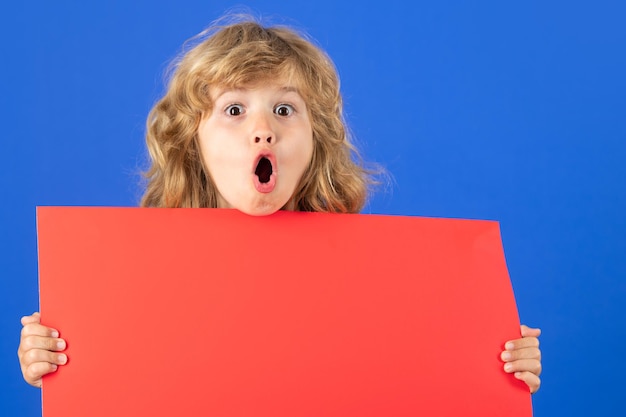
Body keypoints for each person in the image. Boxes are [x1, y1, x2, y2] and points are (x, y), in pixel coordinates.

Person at [18, 15, 542, 393]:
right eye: (235, 109)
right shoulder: (131, 281)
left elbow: (416, 375)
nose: (263, 131)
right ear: (191, 140)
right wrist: (54, 357)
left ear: (317, 138)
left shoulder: (378, 280)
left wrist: (499, 360)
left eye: (285, 109)